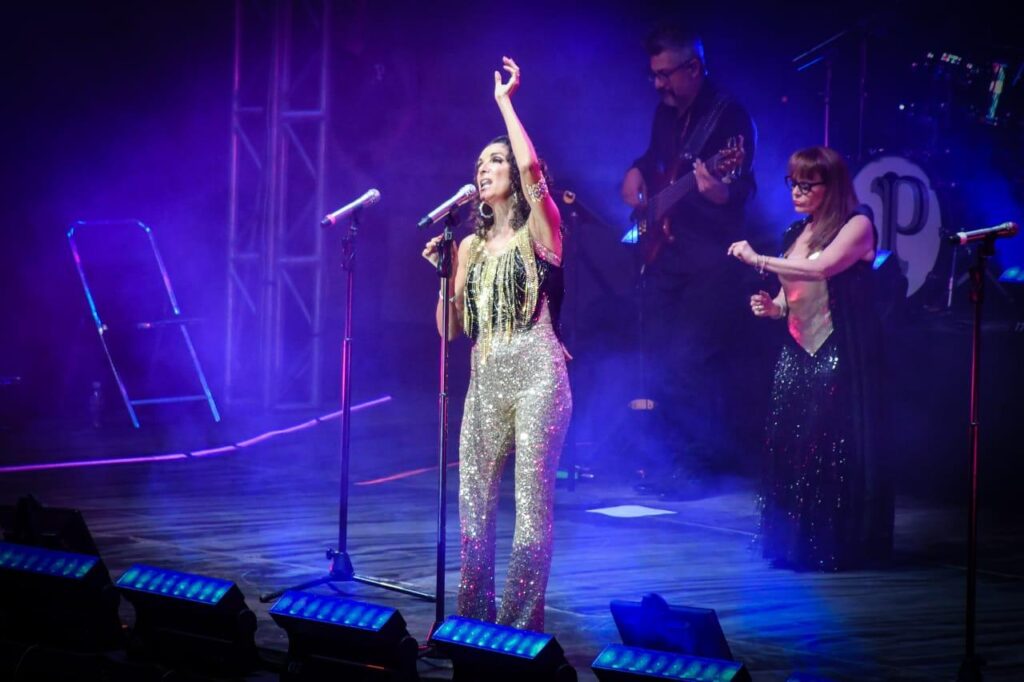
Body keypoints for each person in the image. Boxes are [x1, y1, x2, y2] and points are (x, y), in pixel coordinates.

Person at [422, 57, 570, 630]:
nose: (485, 168)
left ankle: (519, 631)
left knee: (530, 509)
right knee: (473, 510)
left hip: (536, 370)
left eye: (496, 160)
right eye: (480, 162)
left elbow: (531, 165)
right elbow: (449, 330)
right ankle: (474, 624)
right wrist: (444, 281)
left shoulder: (542, 226)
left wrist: (504, 101)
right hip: (484, 378)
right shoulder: (471, 248)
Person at [726, 146, 894, 571]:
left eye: (807, 185)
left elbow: (822, 270)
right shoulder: (795, 233)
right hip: (798, 351)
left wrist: (758, 260)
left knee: (826, 443)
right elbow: (793, 294)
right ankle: (794, 543)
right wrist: (773, 307)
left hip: (839, 349)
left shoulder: (857, 224)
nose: (797, 192)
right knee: (791, 443)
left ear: (830, 186)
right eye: (793, 184)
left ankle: (833, 543)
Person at [621, 26, 756, 495]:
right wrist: (636, 169)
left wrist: (719, 192)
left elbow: (741, 188)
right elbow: (655, 159)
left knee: (693, 360)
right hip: (668, 255)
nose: (658, 84)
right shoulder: (665, 112)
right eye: (654, 75)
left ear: (693, 68)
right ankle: (670, 460)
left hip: (710, 260)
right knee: (661, 357)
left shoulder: (729, 115)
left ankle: (698, 466)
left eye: (665, 75)